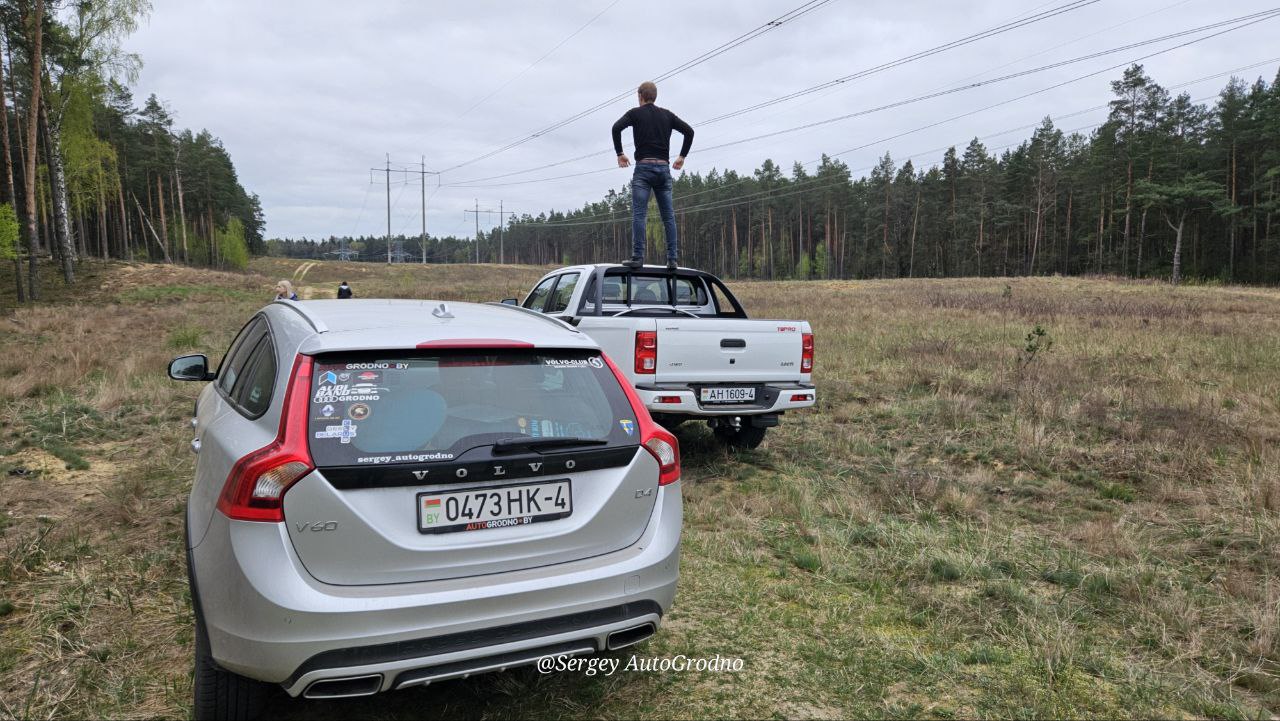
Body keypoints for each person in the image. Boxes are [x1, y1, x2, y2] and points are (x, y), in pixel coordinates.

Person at [612, 80, 694, 270]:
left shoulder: (634, 114)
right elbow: (689, 132)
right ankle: (672, 259)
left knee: (640, 215)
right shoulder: (667, 115)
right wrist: (682, 157)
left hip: (643, 169)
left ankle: (638, 257)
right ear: (655, 96)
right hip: (663, 170)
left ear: (639, 96)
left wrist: (619, 154)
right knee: (668, 216)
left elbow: (616, 128)